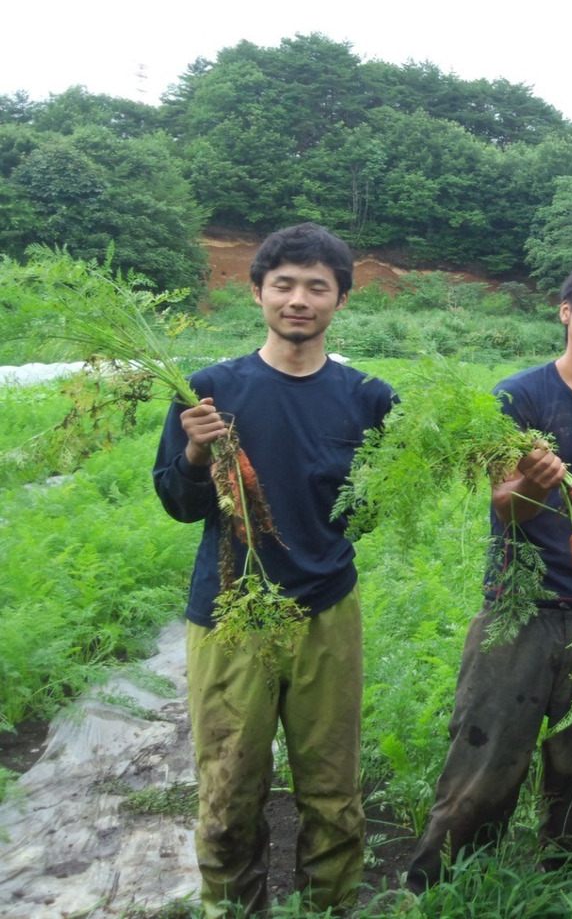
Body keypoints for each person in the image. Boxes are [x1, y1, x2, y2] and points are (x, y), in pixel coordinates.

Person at [152, 222, 397, 916]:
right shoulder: (208, 389)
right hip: (231, 612)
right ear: (256, 291)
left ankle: (330, 907)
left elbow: (371, 511)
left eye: (317, 287)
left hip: (327, 610)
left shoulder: (369, 398)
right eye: (283, 285)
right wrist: (196, 455)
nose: (298, 300)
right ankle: (232, 908)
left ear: (341, 299)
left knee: (333, 791)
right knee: (228, 793)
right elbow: (177, 503)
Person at [406, 257, 572, 891]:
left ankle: (570, 886)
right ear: (567, 311)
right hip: (518, 607)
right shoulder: (519, 396)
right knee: (485, 756)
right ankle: (440, 887)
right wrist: (535, 481)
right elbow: (506, 507)